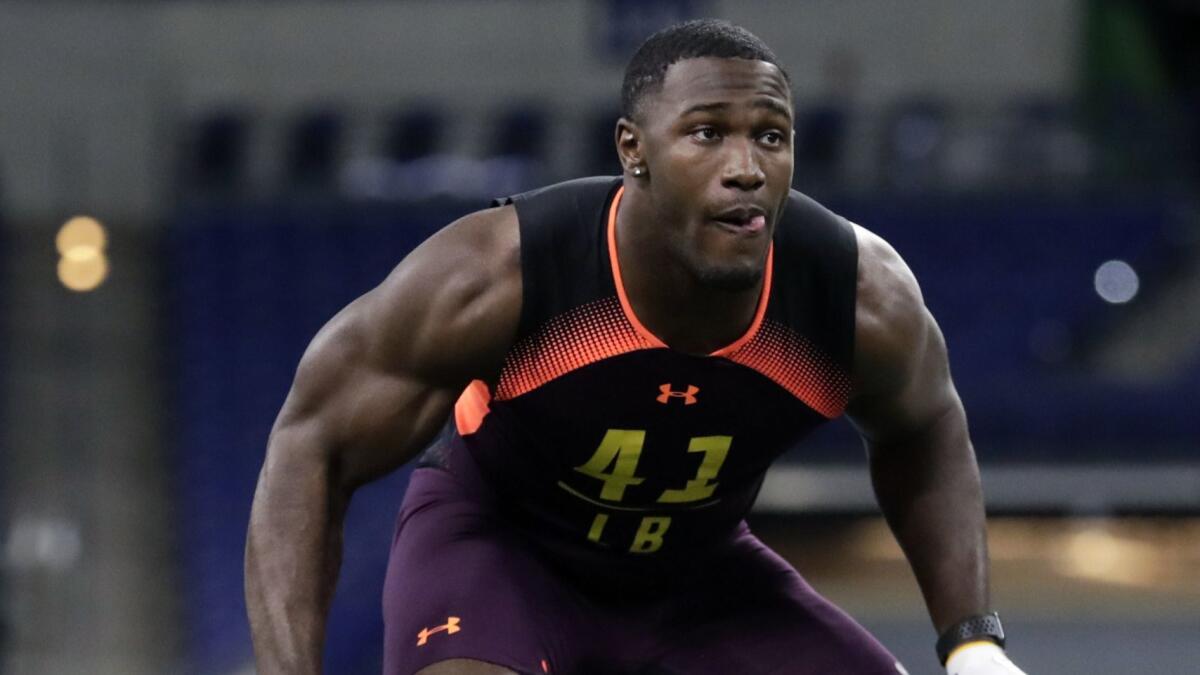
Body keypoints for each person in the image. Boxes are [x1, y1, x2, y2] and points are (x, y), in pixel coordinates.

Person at [246, 19, 1028, 675]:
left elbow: (923, 431)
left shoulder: (855, 296)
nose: (746, 169)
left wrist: (972, 641)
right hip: (500, 555)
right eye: (707, 134)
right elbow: (312, 445)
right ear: (633, 149)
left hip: (698, 577)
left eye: (771, 136)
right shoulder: (498, 275)